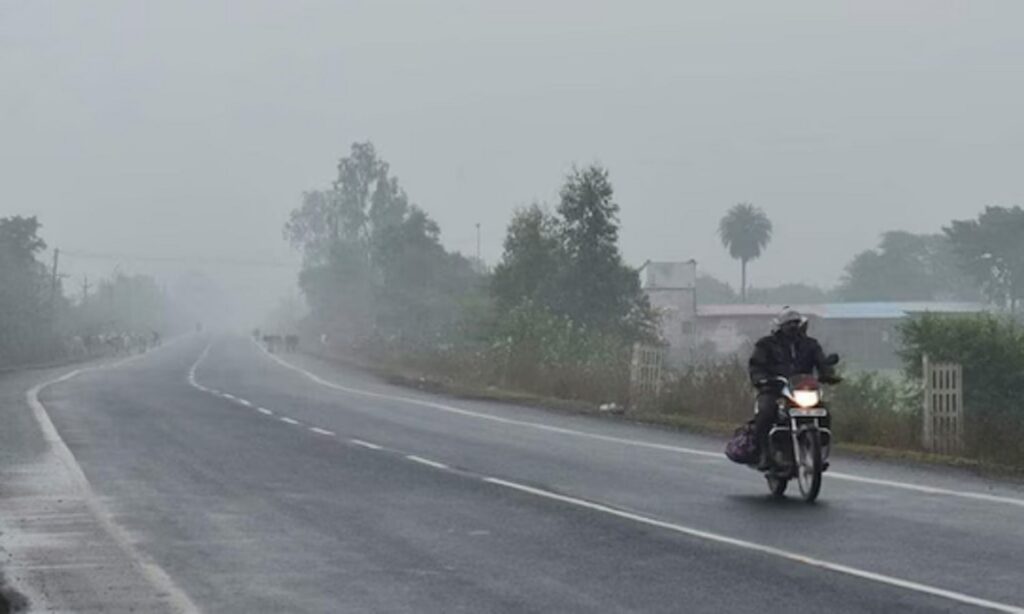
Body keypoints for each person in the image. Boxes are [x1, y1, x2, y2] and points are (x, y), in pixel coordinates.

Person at [747, 308, 839, 469]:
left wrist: (828, 374)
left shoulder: (810, 344)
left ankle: (817, 451)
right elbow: (756, 365)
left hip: (802, 390)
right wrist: (761, 379)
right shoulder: (766, 344)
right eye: (789, 323)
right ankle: (764, 454)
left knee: (824, 412)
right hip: (774, 389)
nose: (793, 327)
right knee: (766, 412)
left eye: (796, 323)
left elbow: (821, 362)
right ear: (780, 325)